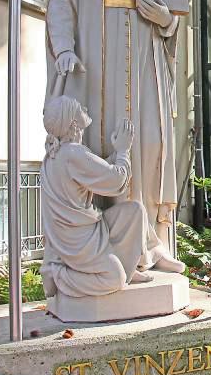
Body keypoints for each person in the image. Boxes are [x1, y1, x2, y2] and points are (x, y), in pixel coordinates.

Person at [44, 0, 183, 272]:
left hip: (145, 58)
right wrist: (65, 47)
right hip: (95, 62)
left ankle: (153, 242)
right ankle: (112, 249)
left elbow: (174, 10)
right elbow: (60, 0)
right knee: (101, 143)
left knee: (151, 143)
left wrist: (166, 20)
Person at [41, 96, 154, 298]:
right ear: (73, 122)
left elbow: (96, 171)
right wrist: (123, 150)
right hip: (79, 240)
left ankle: (126, 266)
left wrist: (115, 157)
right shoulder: (73, 154)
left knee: (134, 212)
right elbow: (115, 182)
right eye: (79, 108)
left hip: (88, 227)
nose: (85, 107)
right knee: (113, 279)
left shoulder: (61, 154)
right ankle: (57, 274)